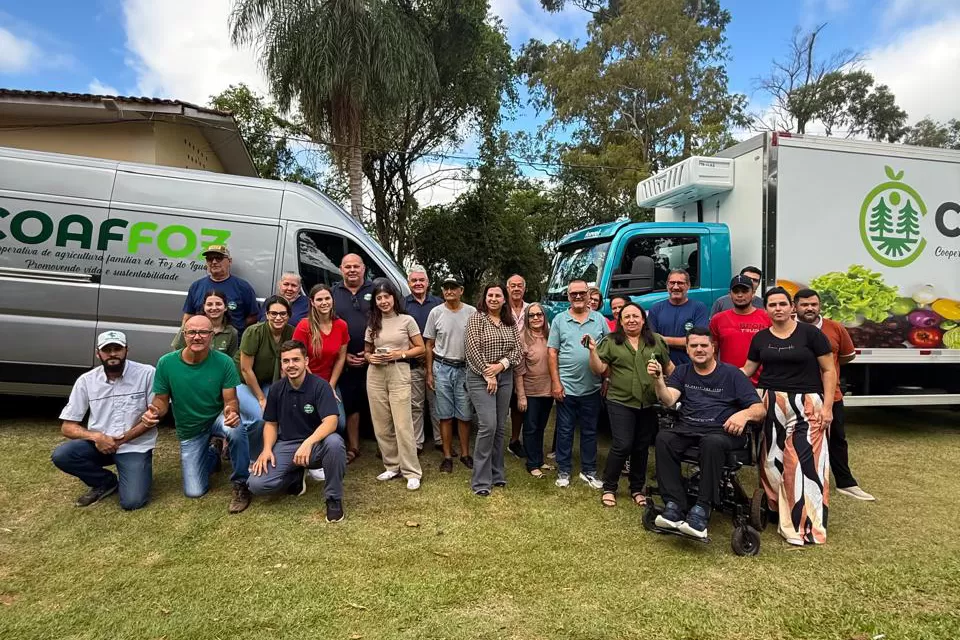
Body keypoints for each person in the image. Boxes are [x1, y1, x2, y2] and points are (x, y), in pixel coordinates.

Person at [647, 327, 766, 539]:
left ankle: (701, 510)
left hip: (723, 432)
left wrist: (744, 415)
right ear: (687, 349)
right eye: (694, 346)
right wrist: (658, 379)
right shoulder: (682, 372)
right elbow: (669, 400)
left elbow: (760, 409)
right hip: (689, 428)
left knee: (712, 443)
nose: (699, 349)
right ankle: (674, 505)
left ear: (713, 347)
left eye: (704, 345)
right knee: (664, 438)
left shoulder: (732, 375)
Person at [742, 287, 837, 545]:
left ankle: (805, 526)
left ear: (792, 307)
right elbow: (748, 370)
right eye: (772, 304)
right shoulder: (761, 338)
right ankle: (775, 512)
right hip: (771, 401)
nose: (778, 308)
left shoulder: (811, 335)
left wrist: (827, 407)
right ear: (767, 309)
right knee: (771, 463)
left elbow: (829, 370)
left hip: (807, 403)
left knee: (802, 464)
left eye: (783, 303)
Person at [148, 315, 251, 513]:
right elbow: (161, 400)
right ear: (184, 335)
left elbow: (230, 400)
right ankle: (213, 453)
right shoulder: (166, 363)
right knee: (195, 491)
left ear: (212, 335)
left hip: (215, 418)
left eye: (203, 332)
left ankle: (241, 483)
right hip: (190, 427)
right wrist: (154, 412)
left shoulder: (224, 362)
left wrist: (231, 412)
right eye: (192, 332)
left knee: (236, 429)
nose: (197, 337)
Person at [52, 331, 156, 510]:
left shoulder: (147, 373)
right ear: (98, 353)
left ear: (127, 350)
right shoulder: (86, 381)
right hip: (98, 445)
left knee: (133, 502)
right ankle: (105, 482)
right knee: (62, 455)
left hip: (134, 445)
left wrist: (122, 440)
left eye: (117, 348)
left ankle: (135, 472)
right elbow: (67, 427)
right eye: (107, 350)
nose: (113, 354)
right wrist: (97, 437)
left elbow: (156, 416)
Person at [249, 340, 347, 523]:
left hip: (317, 444)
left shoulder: (320, 386)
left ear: (306, 361)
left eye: (296, 360)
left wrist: (308, 443)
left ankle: (333, 498)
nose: (291, 365)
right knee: (257, 485)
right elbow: (271, 423)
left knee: (335, 443)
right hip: (287, 444)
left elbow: (332, 422)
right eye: (286, 361)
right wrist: (267, 449)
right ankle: (295, 476)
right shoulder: (277, 389)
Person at [585, 302, 672, 507]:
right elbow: (599, 369)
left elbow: (670, 368)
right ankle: (610, 487)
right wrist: (592, 351)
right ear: (621, 322)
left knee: (641, 447)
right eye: (627, 317)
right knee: (622, 444)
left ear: (643, 319)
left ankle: (636, 488)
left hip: (648, 403)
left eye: (636, 316)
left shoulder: (656, 341)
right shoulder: (611, 341)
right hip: (620, 401)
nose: (631, 320)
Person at [795, 288, 874, 502]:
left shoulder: (835, 328)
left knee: (837, 439)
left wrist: (829, 370)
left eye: (813, 304)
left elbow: (847, 356)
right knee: (797, 440)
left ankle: (846, 482)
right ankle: (801, 481)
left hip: (831, 395)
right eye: (804, 304)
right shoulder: (789, 328)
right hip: (798, 395)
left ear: (820, 306)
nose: (809, 308)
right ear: (795, 307)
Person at [548, 279, 610, 490]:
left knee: (590, 431)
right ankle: (564, 470)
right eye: (573, 293)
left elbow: (608, 351)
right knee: (564, 431)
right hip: (566, 386)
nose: (577, 296)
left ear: (587, 294)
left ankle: (589, 471)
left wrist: (606, 378)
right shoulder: (559, 320)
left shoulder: (599, 319)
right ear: (568, 296)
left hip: (592, 387)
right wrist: (556, 383)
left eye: (581, 293)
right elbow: (552, 352)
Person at [364, 279, 426, 490]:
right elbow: (367, 350)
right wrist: (369, 358)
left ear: (394, 298)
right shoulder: (373, 322)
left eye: (386, 297)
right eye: (379, 298)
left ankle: (411, 471)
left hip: (399, 371)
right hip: (376, 374)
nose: (383, 301)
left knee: (402, 423)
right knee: (381, 423)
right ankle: (392, 465)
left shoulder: (406, 320)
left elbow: (421, 348)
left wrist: (399, 354)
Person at [465, 283, 522, 496]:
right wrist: (488, 373)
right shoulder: (476, 318)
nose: (494, 298)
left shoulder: (509, 322)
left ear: (504, 299)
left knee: (499, 427)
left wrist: (501, 366)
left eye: (498, 295)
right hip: (480, 376)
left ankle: (497, 474)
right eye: (490, 295)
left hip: (504, 376)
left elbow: (517, 350)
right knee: (488, 425)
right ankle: (480, 480)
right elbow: (471, 349)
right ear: (485, 298)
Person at [424, 275, 476, 473]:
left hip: (464, 368)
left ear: (461, 290)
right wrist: (429, 372)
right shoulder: (435, 313)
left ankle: (465, 454)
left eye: (453, 288)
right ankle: (447, 456)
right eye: (446, 288)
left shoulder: (471, 312)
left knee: (464, 415)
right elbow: (429, 344)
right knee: (444, 415)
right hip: (442, 367)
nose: (449, 291)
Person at [235, 295, 295, 460]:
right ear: (267, 315)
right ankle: (253, 457)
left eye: (283, 314)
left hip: (270, 381)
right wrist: (261, 399)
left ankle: (275, 453)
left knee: (281, 412)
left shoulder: (291, 332)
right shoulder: (254, 332)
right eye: (273, 313)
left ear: (288, 315)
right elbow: (246, 369)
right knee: (261, 417)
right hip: (243, 382)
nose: (278, 317)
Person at [331, 253, 375, 464]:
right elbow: (328, 327)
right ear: (341, 269)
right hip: (344, 360)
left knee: (379, 402)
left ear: (363, 268)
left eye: (355, 266)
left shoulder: (375, 291)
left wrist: (371, 354)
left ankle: (385, 446)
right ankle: (353, 447)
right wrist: (343, 356)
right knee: (351, 404)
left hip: (373, 358)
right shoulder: (333, 293)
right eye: (347, 266)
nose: (351, 270)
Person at [292, 283, 349, 431]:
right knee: (310, 420)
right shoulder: (304, 326)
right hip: (305, 381)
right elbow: (297, 359)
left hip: (329, 382)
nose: (324, 303)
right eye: (319, 299)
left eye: (327, 298)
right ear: (312, 302)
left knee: (340, 424)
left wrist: (331, 385)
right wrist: (316, 387)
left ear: (332, 300)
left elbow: (341, 358)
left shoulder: (341, 325)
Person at [404, 267, 443, 453]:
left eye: (421, 280)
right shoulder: (402, 305)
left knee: (437, 404)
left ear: (428, 282)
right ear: (408, 283)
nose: (418, 283)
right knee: (415, 405)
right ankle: (417, 442)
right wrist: (415, 350)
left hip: (436, 362)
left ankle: (440, 439)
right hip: (412, 363)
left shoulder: (438, 303)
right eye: (414, 280)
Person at [181, 244, 258, 335]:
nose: (214, 262)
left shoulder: (243, 287)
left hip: (232, 345)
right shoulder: (196, 286)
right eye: (209, 258)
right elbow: (188, 316)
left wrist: (237, 327)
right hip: (202, 342)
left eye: (218, 258)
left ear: (229, 261)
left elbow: (254, 316)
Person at [514, 303, 554, 478]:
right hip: (530, 391)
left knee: (541, 427)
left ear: (544, 317)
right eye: (532, 315)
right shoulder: (522, 337)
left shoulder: (550, 336)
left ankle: (539, 460)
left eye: (539, 314)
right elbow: (518, 370)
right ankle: (532, 464)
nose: (536, 318)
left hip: (548, 390)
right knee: (530, 428)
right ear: (527, 319)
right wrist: (521, 395)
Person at [709, 275, 772, 383]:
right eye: (736, 291)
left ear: (753, 294)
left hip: (762, 382)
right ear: (730, 294)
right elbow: (713, 351)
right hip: (728, 380)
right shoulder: (717, 319)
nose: (740, 295)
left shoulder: (767, 318)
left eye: (744, 291)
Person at [647, 269, 709, 366]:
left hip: (691, 367)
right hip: (662, 366)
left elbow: (699, 340)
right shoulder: (656, 309)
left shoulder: (699, 308)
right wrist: (684, 342)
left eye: (680, 283)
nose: (675, 287)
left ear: (688, 286)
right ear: (667, 285)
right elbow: (651, 340)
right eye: (672, 283)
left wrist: (663, 340)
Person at [505, 273, 529, 460]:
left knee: (519, 405)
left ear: (524, 289)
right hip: (503, 363)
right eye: (512, 285)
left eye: (519, 285)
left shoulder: (531, 309)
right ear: (507, 288)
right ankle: (495, 440)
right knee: (499, 403)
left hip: (525, 363)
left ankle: (514, 440)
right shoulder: (500, 309)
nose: (516, 288)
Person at [171, 290, 238, 356]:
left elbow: (231, 359)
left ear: (225, 307)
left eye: (218, 304)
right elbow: (176, 353)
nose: (214, 308)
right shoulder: (189, 326)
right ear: (204, 307)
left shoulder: (232, 332)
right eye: (209, 304)